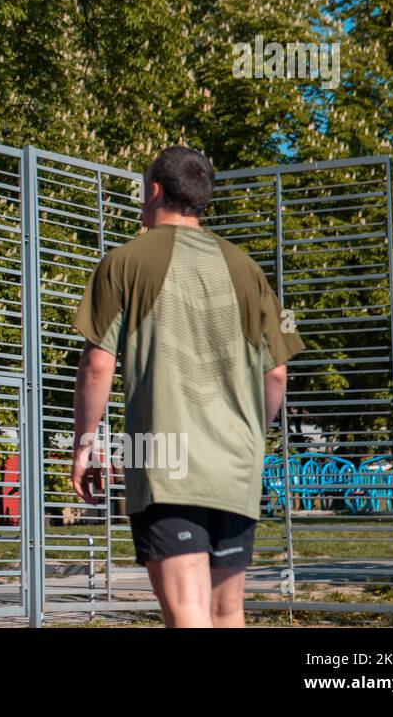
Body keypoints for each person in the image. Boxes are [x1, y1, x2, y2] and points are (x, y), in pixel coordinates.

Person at [71, 145, 304, 628]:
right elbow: (276, 373)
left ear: (155, 189)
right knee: (227, 610)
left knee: (187, 612)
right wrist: (249, 435)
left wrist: (85, 443)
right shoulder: (246, 268)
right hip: (235, 464)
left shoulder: (124, 261)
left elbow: (97, 365)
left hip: (162, 458)